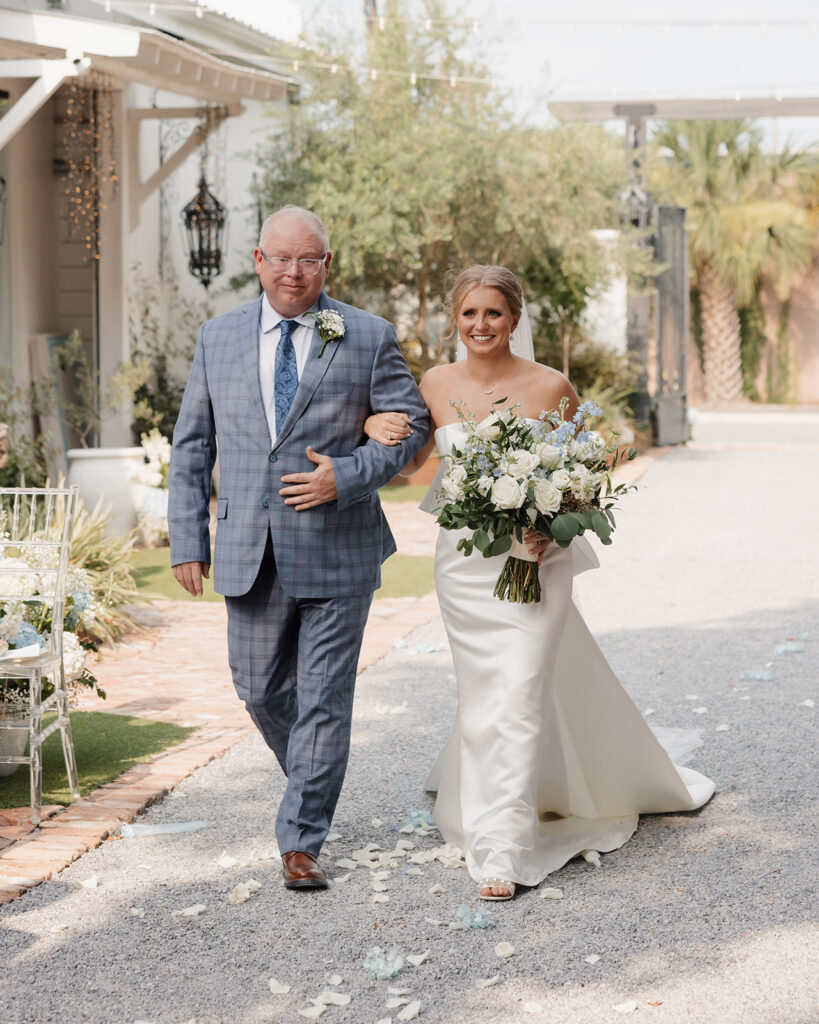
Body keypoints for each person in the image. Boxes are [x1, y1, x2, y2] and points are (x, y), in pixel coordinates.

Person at [365, 265, 714, 901]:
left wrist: (551, 528)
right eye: (469, 314)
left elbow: (589, 470)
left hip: (536, 562)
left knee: (522, 688)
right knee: (482, 695)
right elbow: (416, 465)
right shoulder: (436, 383)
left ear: (515, 319)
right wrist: (372, 427)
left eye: (493, 314)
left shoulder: (551, 385)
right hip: (465, 566)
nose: (480, 326)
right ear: (454, 319)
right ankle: (506, 806)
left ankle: (503, 850)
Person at [168, 206, 430, 891]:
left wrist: (343, 475)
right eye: (280, 259)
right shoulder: (216, 338)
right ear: (257, 260)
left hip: (338, 549)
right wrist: (186, 538)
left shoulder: (367, 335)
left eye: (307, 260)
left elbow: (410, 433)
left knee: (323, 698)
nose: (292, 272)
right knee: (257, 690)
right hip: (249, 550)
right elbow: (193, 446)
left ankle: (300, 840)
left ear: (326, 265)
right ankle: (313, 778)